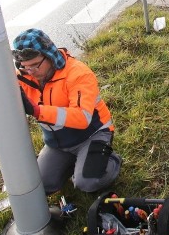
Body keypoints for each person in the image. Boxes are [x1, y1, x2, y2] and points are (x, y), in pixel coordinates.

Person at [12, 28, 121, 194]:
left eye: (35, 65)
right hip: (58, 144)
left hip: (91, 135)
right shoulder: (25, 75)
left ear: (49, 55)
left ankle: (110, 161)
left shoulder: (77, 74)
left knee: (87, 183)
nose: (31, 72)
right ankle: (74, 162)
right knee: (39, 185)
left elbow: (82, 118)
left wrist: (37, 110)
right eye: (25, 67)